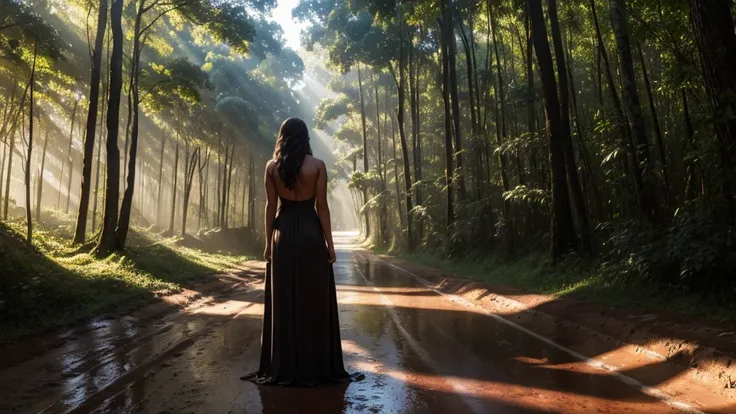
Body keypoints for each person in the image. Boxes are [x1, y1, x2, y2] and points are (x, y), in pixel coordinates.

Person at [242, 118, 359, 386]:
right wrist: (330, 243)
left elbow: (270, 207)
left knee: (284, 299)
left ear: (282, 137)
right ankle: (315, 365)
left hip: (282, 234)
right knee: (314, 299)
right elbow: (323, 207)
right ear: (305, 138)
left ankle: (283, 365)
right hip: (310, 234)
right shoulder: (317, 166)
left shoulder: (272, 168)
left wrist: (267, 243)